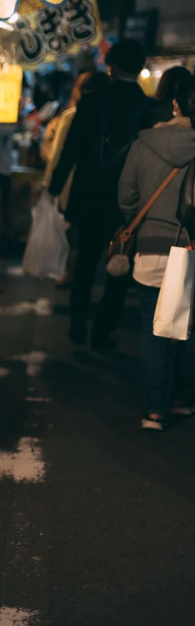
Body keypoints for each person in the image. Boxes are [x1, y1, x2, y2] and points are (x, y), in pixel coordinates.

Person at [49, 40, 155, 351]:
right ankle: (103, 331)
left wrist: (55, 187)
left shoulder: (92, 102)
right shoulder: (148, 107)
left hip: (89, 194)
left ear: (112, 65)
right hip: (128, 202)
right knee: (119, 265)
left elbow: (72, 149)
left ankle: (78, 322)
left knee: (85, 262)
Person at [118, 74, 195, 431]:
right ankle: (182, 400)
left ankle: (154, 411)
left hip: (149, 248)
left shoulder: (142, 144)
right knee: (185, 329)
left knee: (153, 331)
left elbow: (126, 197)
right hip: (188, 248)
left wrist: (141, 219)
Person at [41, 71, 109, 287]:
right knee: (87, 236)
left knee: (71, 233)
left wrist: (50, 184)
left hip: (73, 184)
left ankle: (68, 274)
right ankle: (79, 274)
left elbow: (60, 153)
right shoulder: (111, 115)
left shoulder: (72, 115)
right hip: (102, 185)